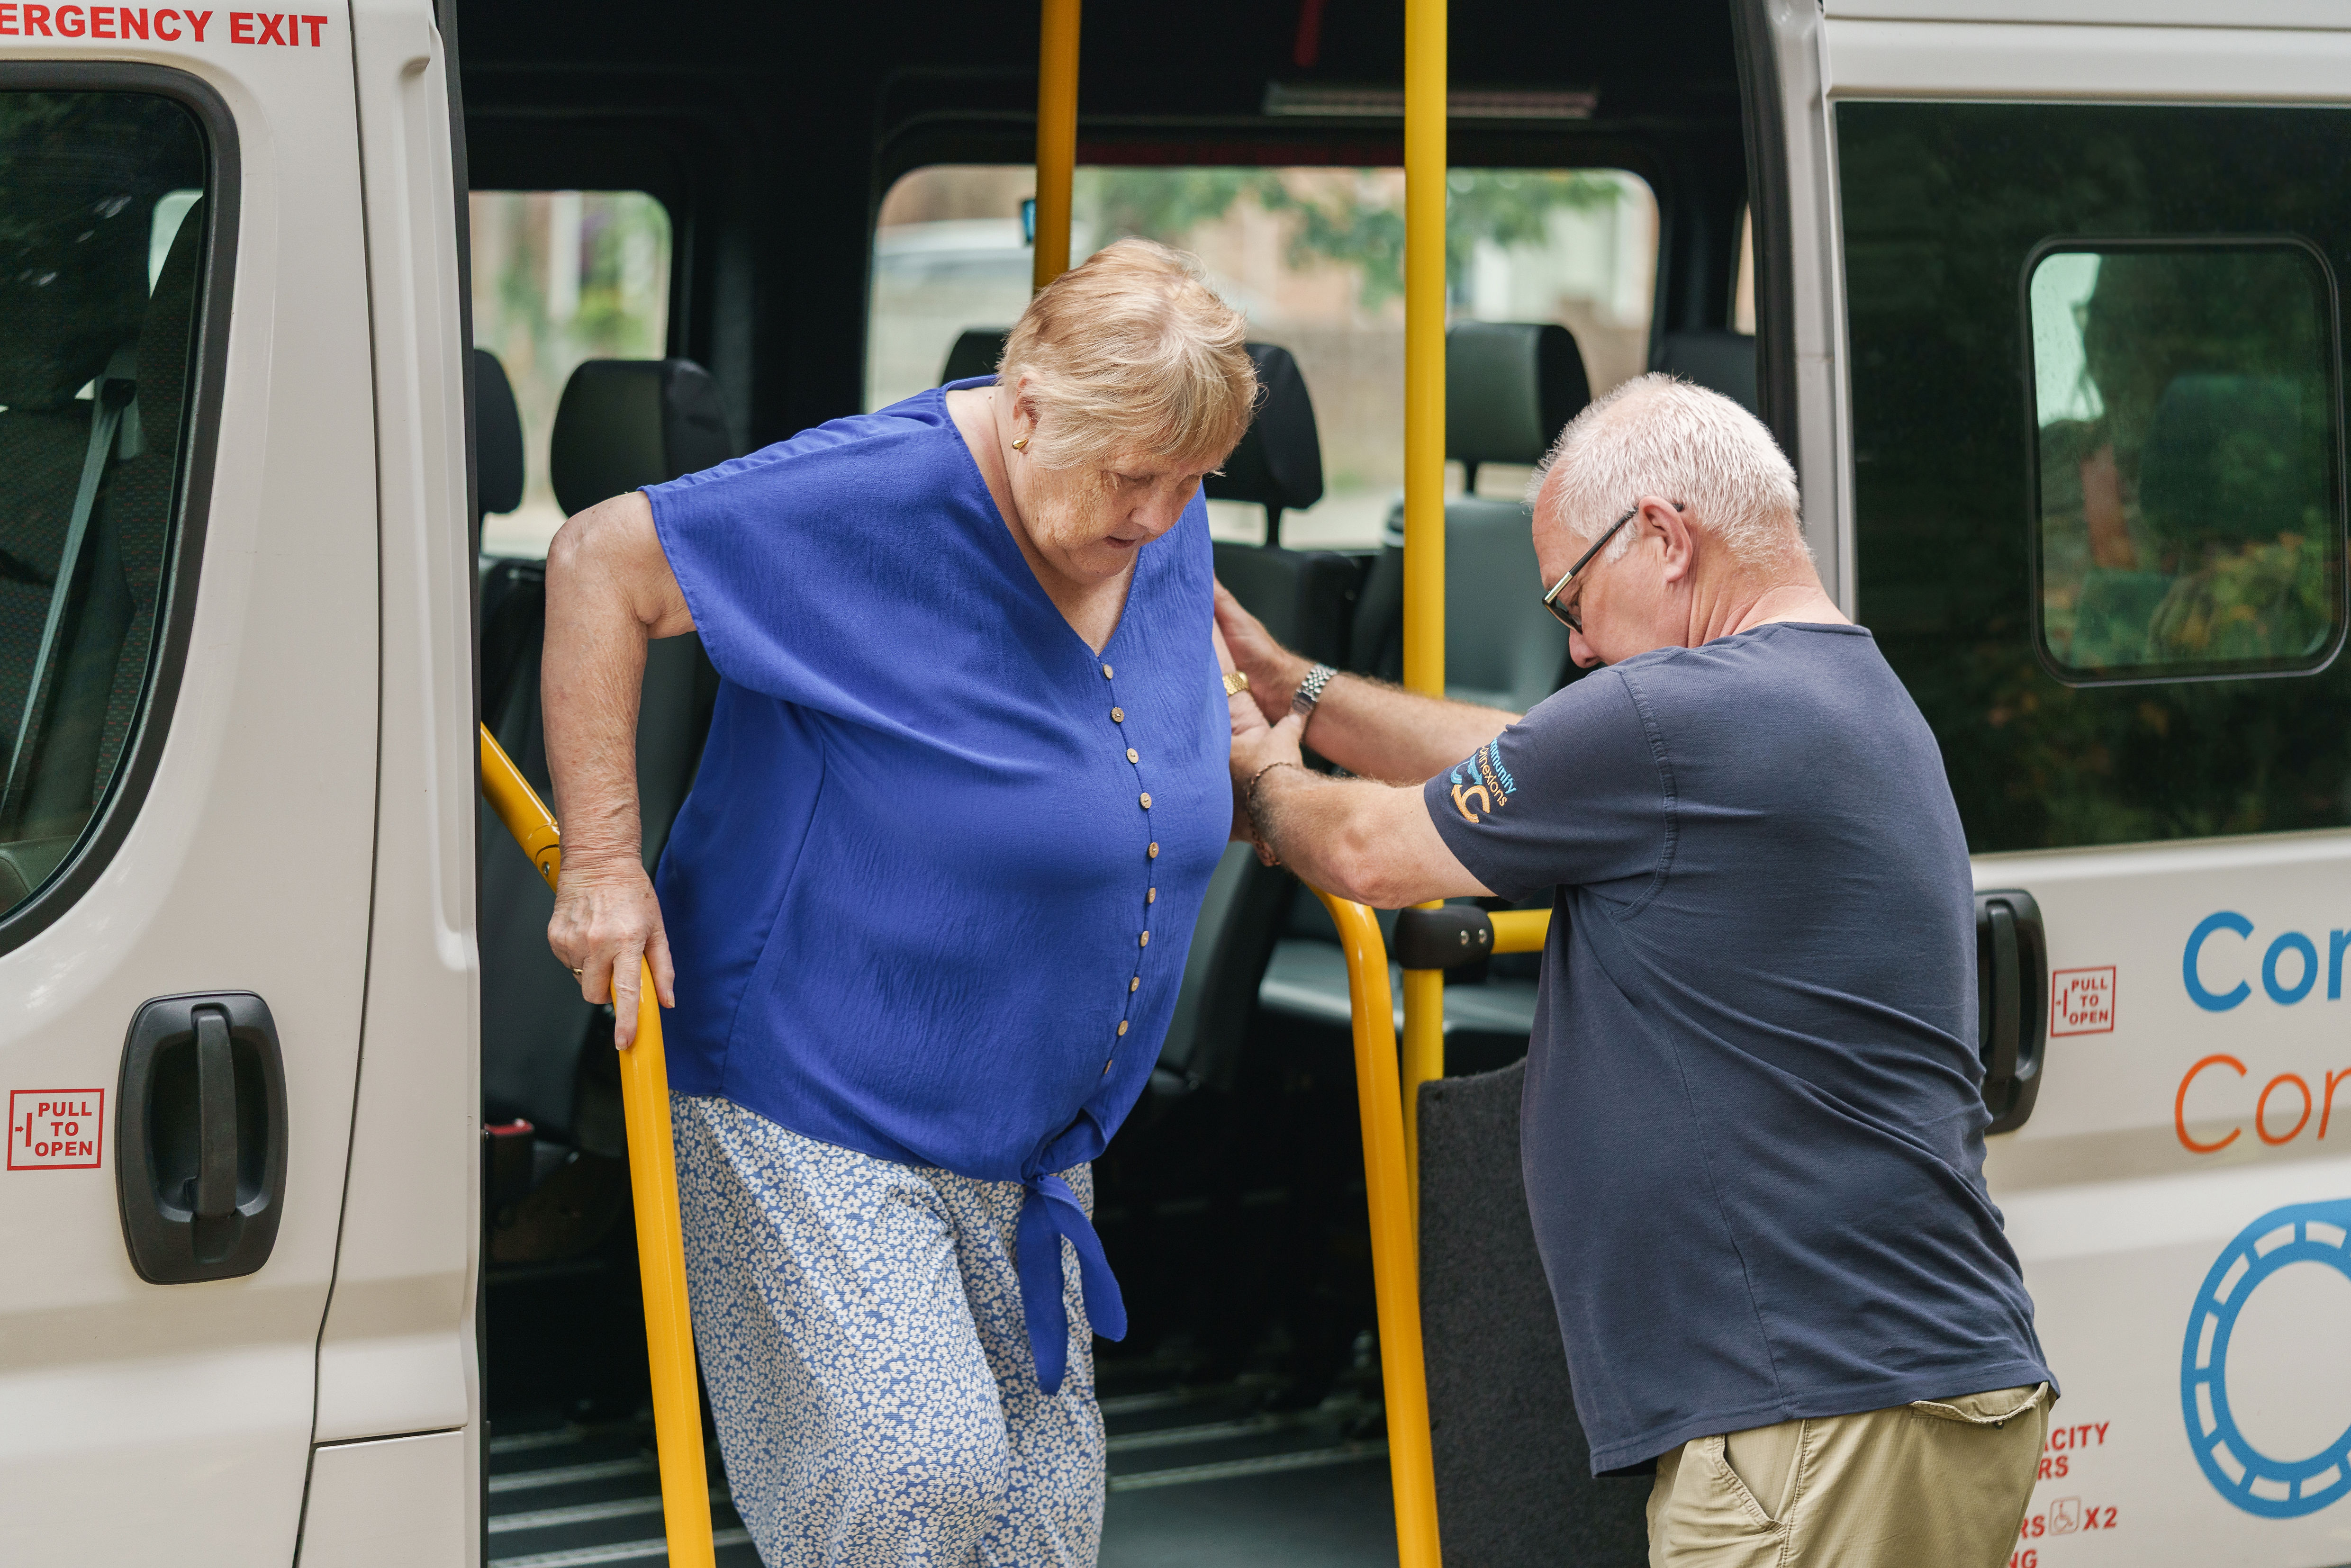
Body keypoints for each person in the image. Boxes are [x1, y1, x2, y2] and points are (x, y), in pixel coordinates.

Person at [1219, 374, 2055, 1568]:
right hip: (1897, 1390)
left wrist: (1250, 773)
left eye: (1571, 590)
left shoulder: (1676, 718)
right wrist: (1298, 687)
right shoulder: (1833, 687)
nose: (1573, 639)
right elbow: (1522, 759)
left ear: (1664, 536)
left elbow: (1368, 851)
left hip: (1810, 1420)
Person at [538, 238, 1260, 1568]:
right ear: (1028, 406)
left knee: (1040, 1533)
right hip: (818, 1095)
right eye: (1134, 479)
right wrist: (602, 858)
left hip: (1031, 1132)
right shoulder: (870, 492)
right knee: (911, 1475)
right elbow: (596, 561)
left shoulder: (1141, 489)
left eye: (1192, 482)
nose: (1161, 516)